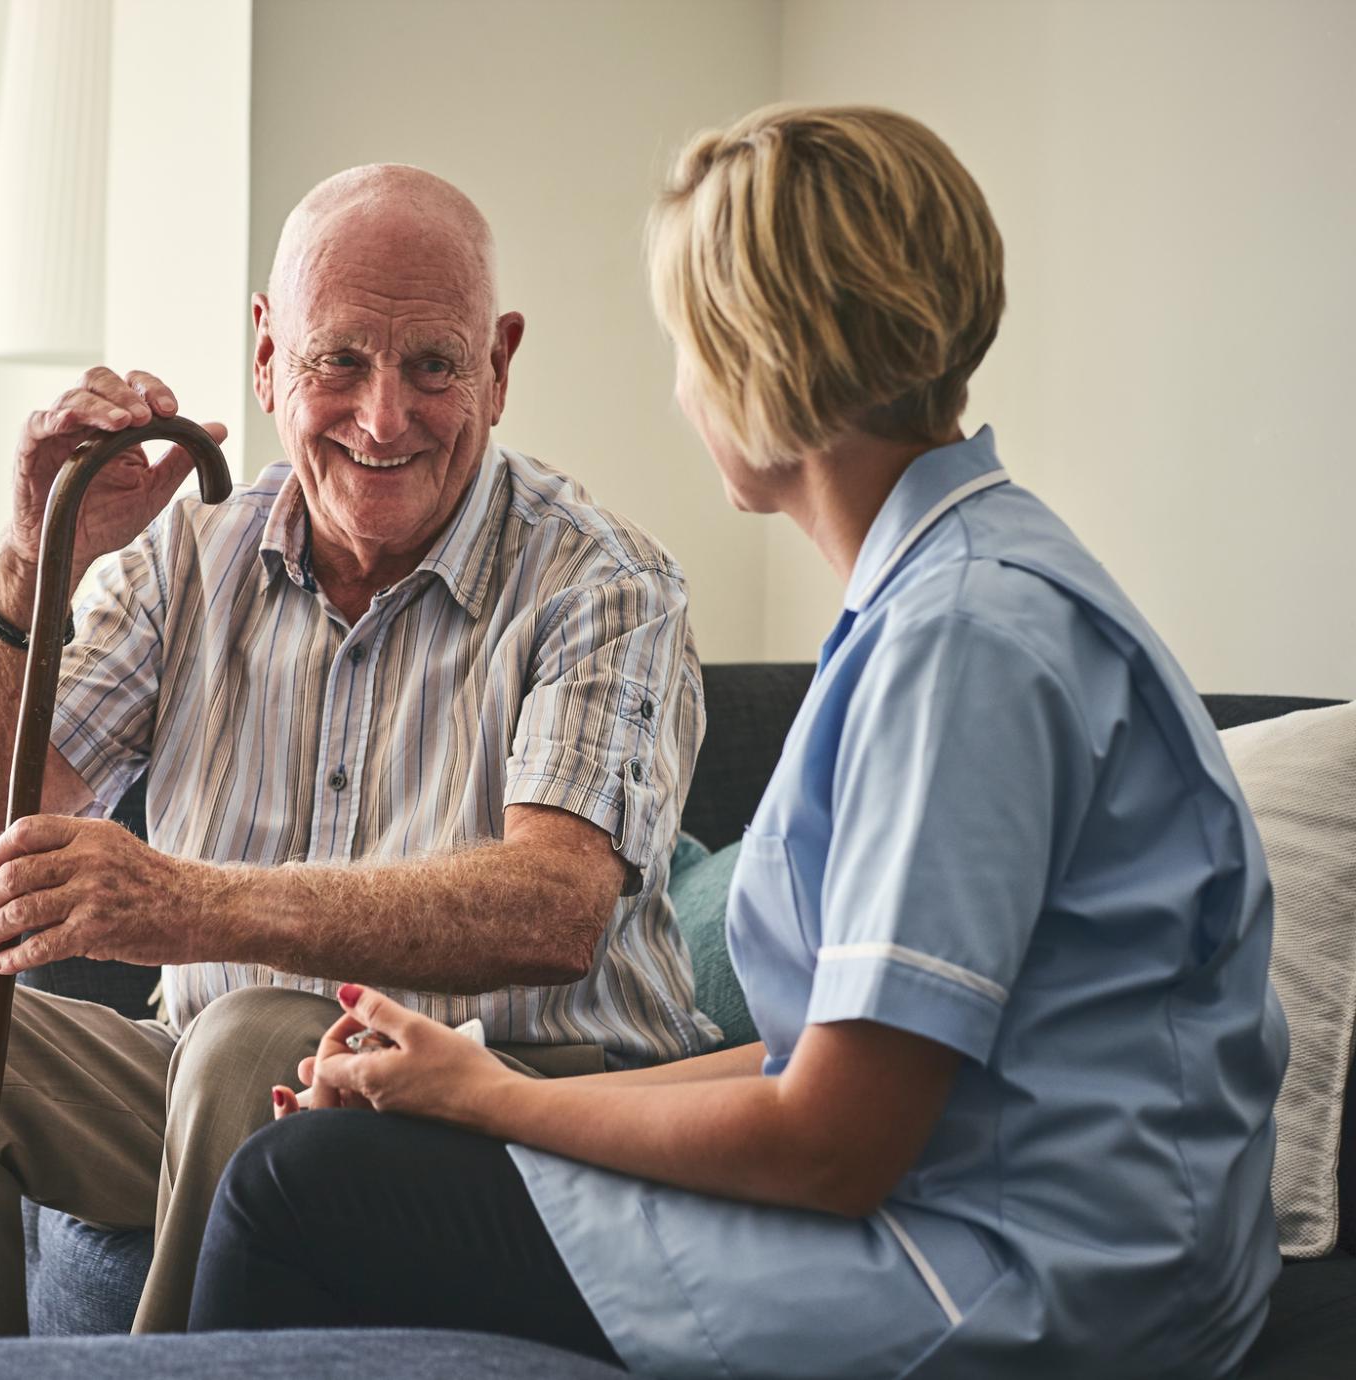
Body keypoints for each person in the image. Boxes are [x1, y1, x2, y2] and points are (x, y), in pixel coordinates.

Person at [189, 106, 1288, 1377]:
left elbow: (831, 1144)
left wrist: (496, 1104)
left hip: (1016, 1281)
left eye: (683, 342)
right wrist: (467, 1089)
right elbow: (815, 1064)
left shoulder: (963, 643)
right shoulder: (957, 587)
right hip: (997, 1222)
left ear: (754, 357)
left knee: (300, 1189)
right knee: (365, 1147)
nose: (677, 383)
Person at [0, 163, 718, 1341]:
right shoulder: (193, 557)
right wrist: (32, 554)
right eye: (338, 360)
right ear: (268, 355)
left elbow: (553, 909)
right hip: (202, 1077)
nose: (383, 417)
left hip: (512, 1107)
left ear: (498, 364)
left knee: (247, 1035)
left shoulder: (601, 583)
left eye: (432, 364)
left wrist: (193, 906)